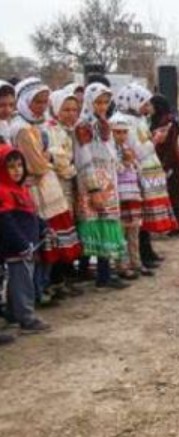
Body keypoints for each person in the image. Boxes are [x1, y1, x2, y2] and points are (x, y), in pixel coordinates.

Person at [10, 78, 81, 303]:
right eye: (36, 102)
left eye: (43, 102)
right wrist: (51, 159)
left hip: (48, 190)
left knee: (51, 240)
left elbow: (57, 156)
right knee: (41, 242)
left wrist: (51, 158)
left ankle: (46, 288)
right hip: (34, 192)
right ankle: (38, 292)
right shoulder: (21, 128)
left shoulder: (38, 124)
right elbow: (36, 164)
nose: (40, 107)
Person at [73, 82, 128, 288]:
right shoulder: (83, 126)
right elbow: (83, 157)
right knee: (95, 226)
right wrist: (94, 188)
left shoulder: (102, 123)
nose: (103, 106)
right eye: (98, 102)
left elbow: (109, 151)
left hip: (107, 180)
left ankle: (103, 273)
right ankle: (98, 274)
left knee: (105, 226)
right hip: (93, 181)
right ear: (89, 102)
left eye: (106, 102)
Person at [114, 84, 176, 265]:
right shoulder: (125, 122)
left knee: (144, 218)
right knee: (136, 220)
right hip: (135, 176)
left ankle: (146, 253)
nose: (148, 107)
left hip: (146, 175)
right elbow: (137, 152)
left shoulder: (138, 120)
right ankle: (140, 257)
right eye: (145, 103)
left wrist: (153, 137)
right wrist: (155, 141)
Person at [0, 146, 50, 333]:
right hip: (18, 249)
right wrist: (21, 244)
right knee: (23, 284)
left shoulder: (20, 189)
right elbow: (6, 223)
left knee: (19, 282)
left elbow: (31, 214)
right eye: (11, 166)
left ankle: (14, 314)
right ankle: (27, 320)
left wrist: (43, 227)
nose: (17, 170)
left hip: (28, 246)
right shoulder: (3, 191)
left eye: (19, 165)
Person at [43, 88, 84, 295]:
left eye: (74, 109)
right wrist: (69, 167)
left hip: (69, 187)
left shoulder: (71, 129)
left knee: (68, 231)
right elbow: (58, 159)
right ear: (56, 109)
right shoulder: (49, 129)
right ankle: (56, 281)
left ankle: (67, 277)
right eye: (66, 109)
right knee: (58, 234)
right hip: (55, 189)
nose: (71, 114)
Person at [151, 94, 179, 237]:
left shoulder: (169, 122)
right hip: (164, 161)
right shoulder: (160, 120)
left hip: (171, 162)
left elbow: (169, 146)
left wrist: (166, 166)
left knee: (174, 197)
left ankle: (176, 227)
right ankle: (170, 225)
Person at [109, 113, 145, 280]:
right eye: (117, 132)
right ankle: (121, 266)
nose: (121, 136)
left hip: (133, 196)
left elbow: (136, 169)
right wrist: (124, 163)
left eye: (124, 132)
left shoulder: (128, 149)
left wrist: (131, 162)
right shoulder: (110, 151)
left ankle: (136, 262)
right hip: (120, 197)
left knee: (134, 232)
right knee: (121, 233)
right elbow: (115, 170)